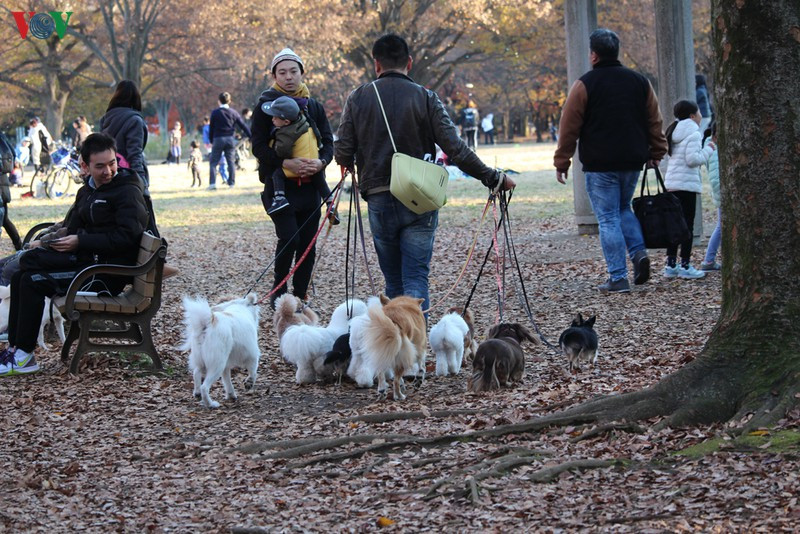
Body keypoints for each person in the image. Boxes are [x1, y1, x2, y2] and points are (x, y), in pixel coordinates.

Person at [335, 34, 514, 311]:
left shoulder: (358, 97)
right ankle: (418, 339)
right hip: (419, 196)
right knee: (416, 277)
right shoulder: (426, 97)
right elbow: (455, 148)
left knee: (393, 281)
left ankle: (397, 338)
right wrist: (493, 177)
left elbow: (343, 151)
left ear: (376, 64)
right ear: (409, 62)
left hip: (380, 195)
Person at [0, 133, 148, 376]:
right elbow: (73, 226)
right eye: (99, 166)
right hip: (86, 262)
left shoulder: (127, 192)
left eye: (112, 163)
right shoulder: (88, 191)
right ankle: (15, 349)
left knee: (31, 280)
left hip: (104, 273)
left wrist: (81, 241)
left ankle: (24, 355)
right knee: (20, 274)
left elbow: (127, 237)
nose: (108, 171)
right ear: (86, 166)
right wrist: (51, 241)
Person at [554, 28, 667, 294]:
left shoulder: (585, 85)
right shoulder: (640, 82)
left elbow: (569, 126)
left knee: (607, 218)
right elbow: (654, 120)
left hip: (600, 162)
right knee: (623, 208)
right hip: (632, 159)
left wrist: (562, 161)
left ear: (594, 55)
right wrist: (657, 151)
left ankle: (618, 277)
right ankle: (638, 252)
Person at [251, 47, 334, 307]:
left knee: (308, 244)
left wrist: (320, 163)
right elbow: (258, 147)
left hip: (310, 188)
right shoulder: (265, 107)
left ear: (302, 73)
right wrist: (286, 162)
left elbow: (328, 142)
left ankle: (300, 295)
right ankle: (279, 291)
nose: (289, 77)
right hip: (280, 188)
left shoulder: (314, 106)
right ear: (274, 76)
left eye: (293, 71)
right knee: (290, 238)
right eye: (282, 72)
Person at [661, 100, 716, 280]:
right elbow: (692, 160)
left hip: (672, 184)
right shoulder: (693, 132)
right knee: (687, 227)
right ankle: (685, 265)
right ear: (692, 116)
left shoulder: (674, 130)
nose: (700, 116)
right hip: (686, 186)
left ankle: (671, 265)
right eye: (698, 112)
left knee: (674, 225)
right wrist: (709, 148)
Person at [99, 79, 158, 236]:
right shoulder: (135, 120)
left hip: (109, 173)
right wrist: (142, 182)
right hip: (128, 176)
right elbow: (135, 153)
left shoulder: (106, 119)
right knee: (141, 217)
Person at [261, 96, 335, 218]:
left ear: (286, 122)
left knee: (277, 174)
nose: (272, 119)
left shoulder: (285, 133)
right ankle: (330, 201)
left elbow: (282, 151)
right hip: (312, 163)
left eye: (275, 117)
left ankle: (280, 198)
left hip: (296, 166)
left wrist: (276, 149)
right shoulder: (307, 123)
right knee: (319, 179)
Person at [208, 92, 251, 189]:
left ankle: (212, 184)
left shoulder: (215, 113)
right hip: (230, 139)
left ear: (219, 101)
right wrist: (251, 136)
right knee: (231, 161)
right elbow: (243, 125)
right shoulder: (233, 112)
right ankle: (231, 183)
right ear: (230, 101)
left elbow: (211, 128)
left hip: (218, 139)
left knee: (214, 162)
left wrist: (211, 140)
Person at [701, 121, 721, 272]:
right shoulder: (713, 149)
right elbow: (715, 178)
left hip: (720, 193)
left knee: (721, 226)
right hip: (721, 193)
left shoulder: (712, 147)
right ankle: (708, 260)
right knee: (720, 227)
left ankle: (709, 259)